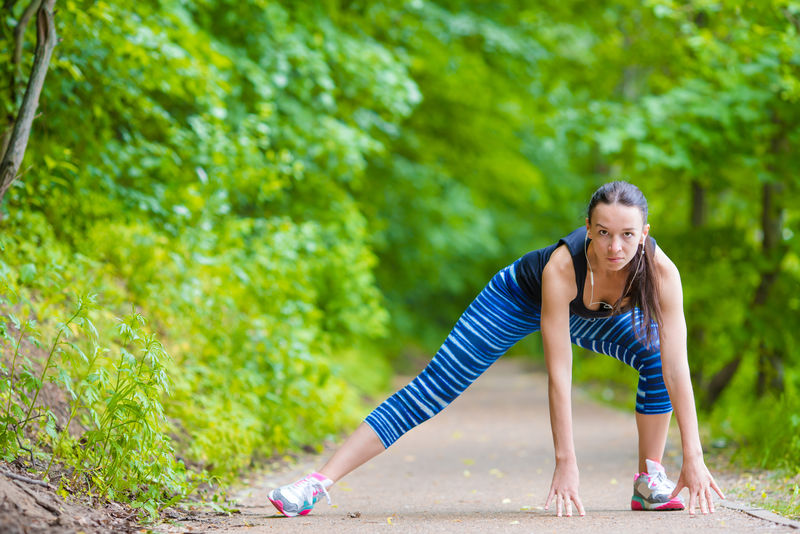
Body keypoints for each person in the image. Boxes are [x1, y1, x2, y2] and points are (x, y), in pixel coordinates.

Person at [267, 181, 725, 518]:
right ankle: (315, 484)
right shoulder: (562, 268)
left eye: (627, 234)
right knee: (433, 388)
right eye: (603, 233)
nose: (614, 246)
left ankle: (649, 480)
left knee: (653, 354)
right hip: (517, 299)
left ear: (645, 233)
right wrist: (566, 462)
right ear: (588, 228)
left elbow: (676, 367)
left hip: (597, 313)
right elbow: (560, 375)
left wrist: (695, 456)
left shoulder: (661, 273)